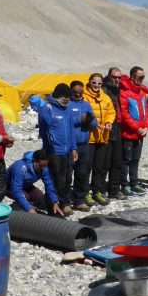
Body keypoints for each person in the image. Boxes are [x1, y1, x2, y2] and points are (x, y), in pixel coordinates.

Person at [38, 83, 77, 215]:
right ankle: (51, 207)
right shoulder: (47, 108)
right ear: (57, 95)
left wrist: (74, 148)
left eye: (69, 97)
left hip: (66, 151)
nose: (67, 99)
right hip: (53, 151)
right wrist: (50, 150)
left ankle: (64, 202)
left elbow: (71, 130)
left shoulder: (68, 109)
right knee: (54, 180)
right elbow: (44, 131)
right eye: (65, 96)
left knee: (66, 179)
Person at [119, 66, 148, 196]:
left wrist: (146, 127)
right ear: (132, 77)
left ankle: (134, 183)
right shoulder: (124, 92)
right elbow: (124, 114)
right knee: (126, 160)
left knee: (136, 160)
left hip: (140, 134)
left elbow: (147, 112)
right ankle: (124, 184)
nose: (142, 79)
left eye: (143, 77)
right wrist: (137, 128)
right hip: (129, 133)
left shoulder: (142, 93)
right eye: (140, 77)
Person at [85, 73, 116, 206]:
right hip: (89, 137)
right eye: (94, 83)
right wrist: (93, 124)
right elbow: (84, 114)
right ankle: (85, 192)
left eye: (99, 83)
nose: (97, 86)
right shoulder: (85, 97)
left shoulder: (106, 97)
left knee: (99, 167)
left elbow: (111, 112)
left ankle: (97, 191)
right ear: (89, 82)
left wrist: (109, 122)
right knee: (86, 167)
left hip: (103, 136)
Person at [68, 80, 98, 211]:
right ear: (71, 92)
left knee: (83, 173)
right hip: (70, 145)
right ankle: (65, 200)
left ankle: (79, 199)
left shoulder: (86, 104)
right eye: (75, 93)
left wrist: (90, 121)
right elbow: (65, 123)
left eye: (80, 93)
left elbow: (94, 123)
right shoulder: (67, 104)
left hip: (84, 144)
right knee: (67, 174)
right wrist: (80, 120)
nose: (78, 95)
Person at [5, 149, 62, 216]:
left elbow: (49, 185)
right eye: (41, 166)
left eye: (45, 166)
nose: (43, 169)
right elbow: (16, 190)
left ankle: (27, 206)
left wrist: (54, 202)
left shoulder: (44, 168)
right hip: (9, 186)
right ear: (34, 161)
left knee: (39, 196)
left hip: (26, 185)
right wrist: (29, 209)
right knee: (25, 197)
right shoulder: (20, 167)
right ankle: (16, 211)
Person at [103, 67, 125, 200]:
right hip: (107, 129)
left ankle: (114, 189)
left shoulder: (119, 90)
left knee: (117, 161)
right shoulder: (104, 90)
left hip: (118, 129)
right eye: (114, 77)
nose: (117, 79)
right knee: (104, 163)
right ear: (109, 77)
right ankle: (99, 189)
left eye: (119, 77)